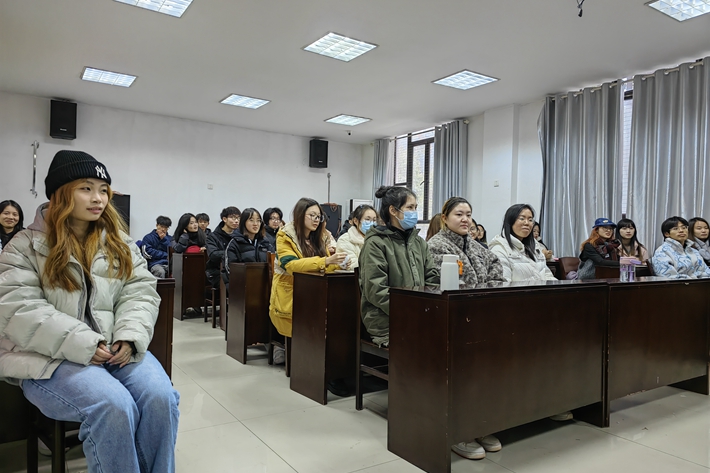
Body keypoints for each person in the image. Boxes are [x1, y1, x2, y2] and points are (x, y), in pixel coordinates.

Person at [0, 150, 179, 473]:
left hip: (114, 349)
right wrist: (83, 342)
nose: (98, 198)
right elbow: (19, 308)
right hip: (48, 358)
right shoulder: (24, 246)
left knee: (161, 398)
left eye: (103, 190)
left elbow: (140, 291)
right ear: (60, 193)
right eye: (86, 188)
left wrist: (129, 336)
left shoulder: (120, 242)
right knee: (113, 405)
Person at [359, 186, 439, 346]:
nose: (414, 212)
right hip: (386, 321)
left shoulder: (419, 243)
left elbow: (432, 279)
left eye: (415, 207)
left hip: (418, 317)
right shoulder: (376, 243)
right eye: (410, 207)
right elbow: (376, 290)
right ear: (393, 211)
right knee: (425, 347)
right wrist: (410, 312)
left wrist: (429, 309)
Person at [269, 198, 347, 339]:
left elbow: (324, 266)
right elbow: (291, 265)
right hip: (292, 294)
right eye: (312, 215)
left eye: (319, 217)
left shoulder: (320, 238)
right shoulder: (285, 236)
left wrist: (339, 264)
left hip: (316, 294)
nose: (316, 220)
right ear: (300, 215)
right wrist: (326, 261)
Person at [428, 197, 504, 287]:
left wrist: (488, 289)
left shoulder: (474, 245)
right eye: (459, 214)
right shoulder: (436, 245)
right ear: (444, 218)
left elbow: (495, 263)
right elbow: (448, 282)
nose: (465, 219)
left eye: (468, 215)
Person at [489, 205, 556, 282]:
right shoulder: (500, 250)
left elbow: (547, 276)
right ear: (510, 221)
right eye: (522, 218)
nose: (527, 223)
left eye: (530, 220)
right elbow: (502, 285)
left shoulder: (535, 247)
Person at [223, 208, 275, 286]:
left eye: (258, 220)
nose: (255, 224)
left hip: (265, 285)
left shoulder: (265, 242)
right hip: (242, 285)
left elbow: (274, 264)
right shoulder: (235, 243)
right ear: (243, 222)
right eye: (251, 220)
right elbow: (230, 269)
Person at [205, 207, 240, 288]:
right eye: (233, 218)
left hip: (236, 270)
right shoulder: (213, 236)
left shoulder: (240, 235)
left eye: (238, 218)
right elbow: (213, 255)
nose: (236, 221)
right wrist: (232, 253)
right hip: (217, 271)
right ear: (224, 219)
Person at [335, 204, 378, 269]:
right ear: (356, 221)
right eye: (367, 219)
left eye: (374, 220)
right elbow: (352, 265)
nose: (372, 223)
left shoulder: (378, 239)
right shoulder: (345, 239)